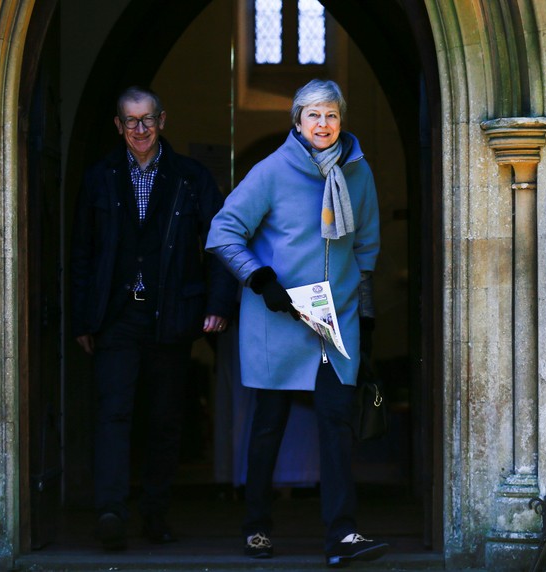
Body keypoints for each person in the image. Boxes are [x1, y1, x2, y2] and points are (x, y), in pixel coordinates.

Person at [206, 79, 387, 568]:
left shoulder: (358, 173)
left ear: (340, 121)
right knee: (268, 427)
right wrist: (259, 278)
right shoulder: (271, 171)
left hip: (337, 319)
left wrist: (364, 319)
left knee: (336, 425)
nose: (323, 124)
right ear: (297, 122)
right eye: (313, 116)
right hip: (279, 319)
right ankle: (257, 529)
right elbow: (223, 231)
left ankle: (342, 535)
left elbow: (365, 250)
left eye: (331, 115)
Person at [70, 86, 237, 550]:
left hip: (173, 314)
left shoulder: (191, 177)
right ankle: (110, 512)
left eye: (147, 120)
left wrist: (219, 305)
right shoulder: (100, 176)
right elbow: (82, 251)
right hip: (116, 316)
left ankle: (156, 515)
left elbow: (222, 242)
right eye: (130, 121)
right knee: (113, 413)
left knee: (165, 420)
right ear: (118, 126)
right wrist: (83, 319)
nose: (140, 130)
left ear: (162, 121)